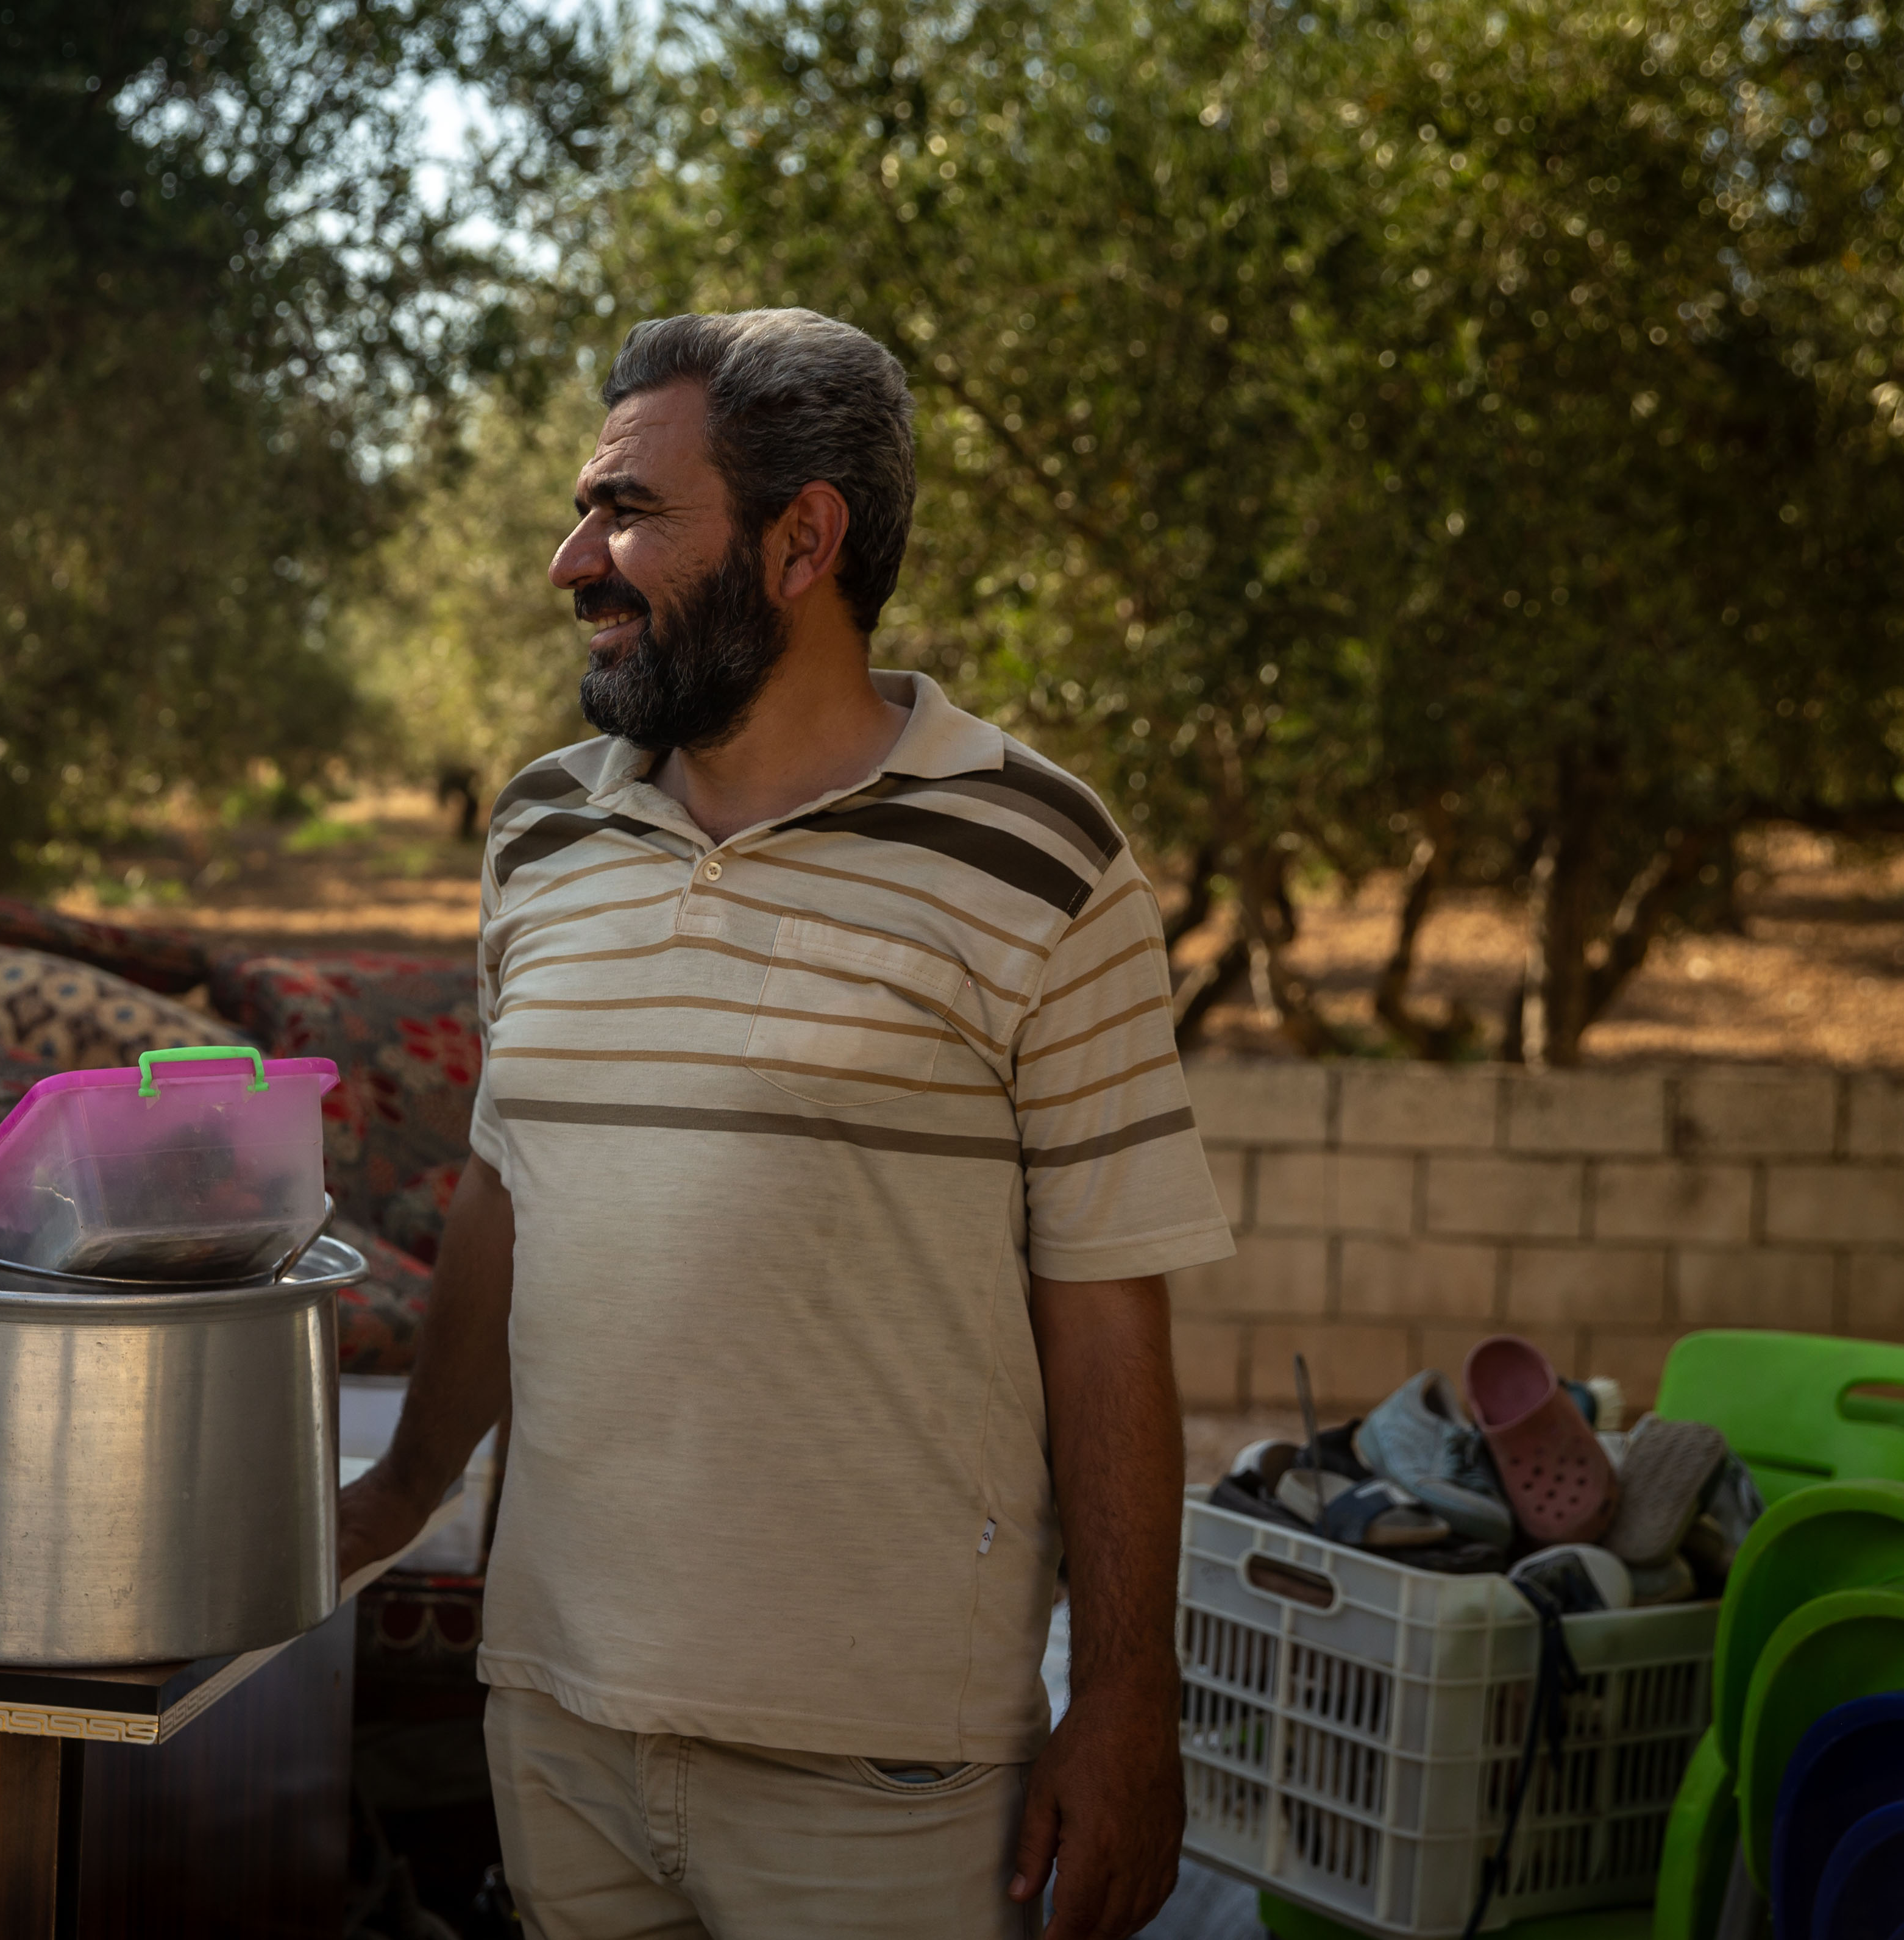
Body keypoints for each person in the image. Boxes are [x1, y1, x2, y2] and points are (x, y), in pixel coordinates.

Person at [335, 309, 1236, 1940]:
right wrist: (403, 1492)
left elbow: (1108, 1316)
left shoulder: (1039, 855)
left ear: (802, 538)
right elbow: (508, 1187)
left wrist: (1125, 1703)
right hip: (560, 1723)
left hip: (881, 1769)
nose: (571, 561)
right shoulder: (542, 830)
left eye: (627, 512)